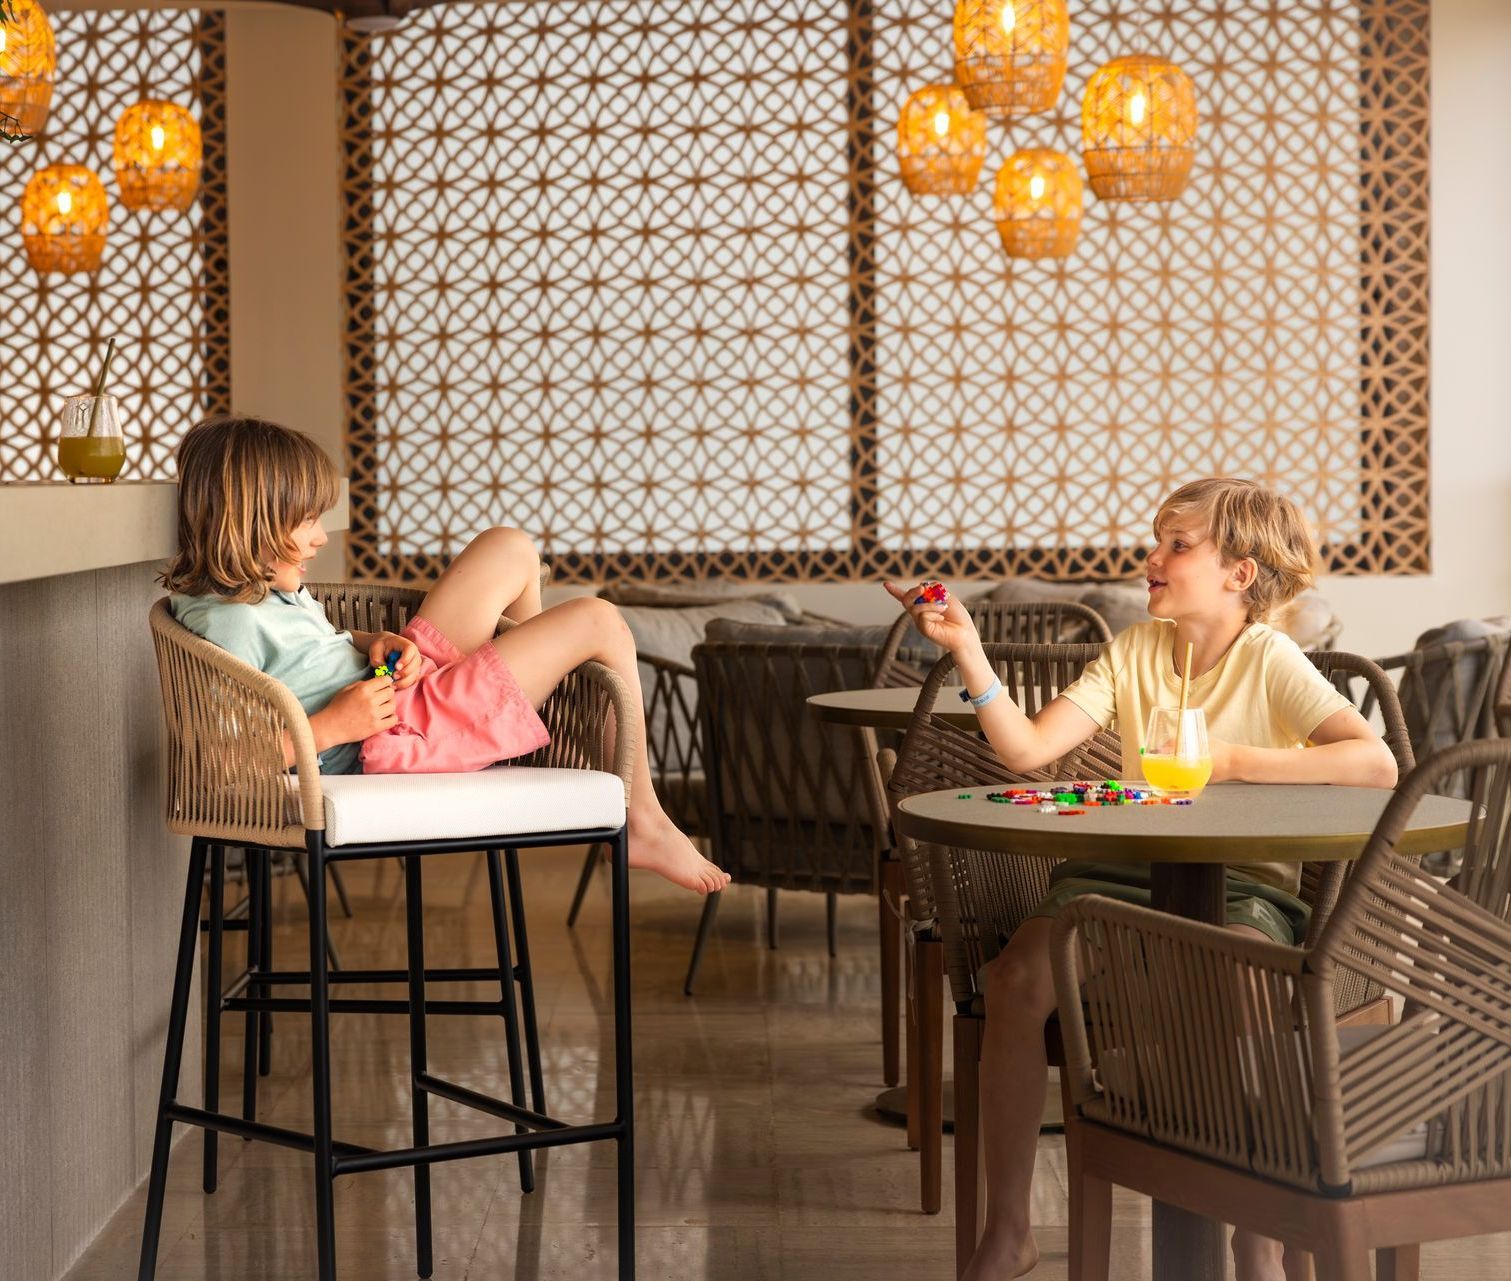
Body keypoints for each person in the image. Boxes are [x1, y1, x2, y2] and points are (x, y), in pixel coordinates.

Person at [884, 478, 1398, 1281]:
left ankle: (1254, 1229)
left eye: (1176, 545)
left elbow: (1374, 763)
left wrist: (1227, 761)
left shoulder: (1269, 659)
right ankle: (1010, 1227)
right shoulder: (1132, 651)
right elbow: (1026, 751)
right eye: (1154, 540)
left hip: (1241, 887)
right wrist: (966, 649)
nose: (1149, 558)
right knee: (1015, 977)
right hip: (1112, 879)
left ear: (1238, 572)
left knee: (1241, 975)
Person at [161, 413, 729, 896]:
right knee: (598, 619)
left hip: (401, 690)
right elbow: (220, 763)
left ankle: (523, 715)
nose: (321, 539)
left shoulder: (265, 590)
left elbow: (309, 657)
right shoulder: (228, 624)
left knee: (510, 547)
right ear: (252, 522)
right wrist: (334, 726)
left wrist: (374, 643)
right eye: (306, 521)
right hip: (396, 736)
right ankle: (645, 817)